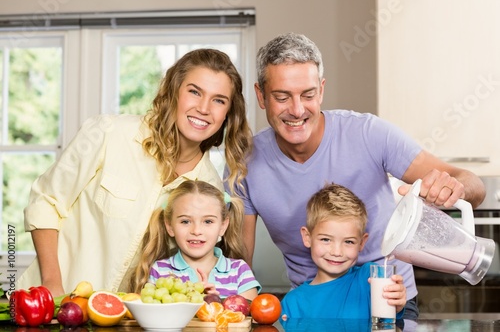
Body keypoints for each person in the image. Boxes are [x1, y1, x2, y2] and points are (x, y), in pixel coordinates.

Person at [225, 32, 486, 320]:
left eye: (308, 95)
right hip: (313, 308)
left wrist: (453, 186)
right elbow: (239, 264)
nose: (297, 110)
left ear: (321, 90)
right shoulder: (243, 162)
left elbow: (474, 185)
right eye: (282, 97)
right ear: (261, 95)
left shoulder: (369, 134)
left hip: (388, 302)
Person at [18, 48, 253, 297]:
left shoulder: (209, 188)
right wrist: (52, 285)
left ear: (228, 113)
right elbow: (46, 201)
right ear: (174, 91)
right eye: (194, 92)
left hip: (126, 320)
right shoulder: (108, 133)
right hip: (50, 303)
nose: (204, 108)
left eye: (219, 100)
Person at [280, 183, 406, 323]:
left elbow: (386, 321)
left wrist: (395, 305)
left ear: (362, 243)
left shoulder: (370, 279)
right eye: (326, 239)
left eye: (348, 242)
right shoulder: (292, 303)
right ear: (307, 238)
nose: (337, 252)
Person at [131, 179, 261, 300]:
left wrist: (216, 303)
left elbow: (250, 319)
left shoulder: (240, 271)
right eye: (185, 221)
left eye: (208, 221)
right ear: (169, 226)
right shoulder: (160, 270)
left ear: (223, 226)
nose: (196, 231)